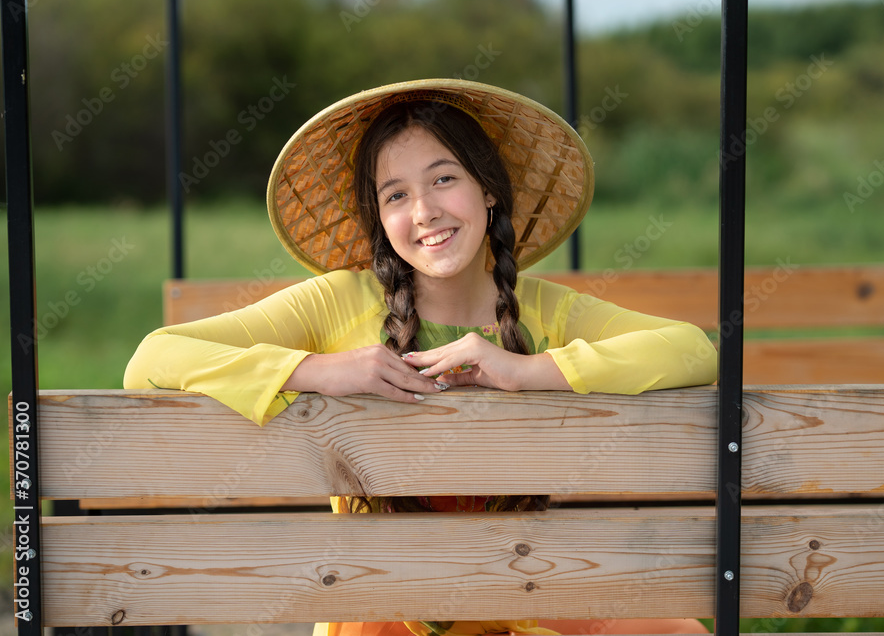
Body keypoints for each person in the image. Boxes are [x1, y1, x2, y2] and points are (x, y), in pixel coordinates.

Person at [124, 79, 717, 636]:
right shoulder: (338, 302)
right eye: (396, 195)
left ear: (487, 188)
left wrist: (526, 370)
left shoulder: (547, 312)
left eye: (443, 179)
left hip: (525, 596)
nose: (425, 211)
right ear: (381, 220)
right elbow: (153, 359)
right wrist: (317, 369)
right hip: (380, 607)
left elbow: (692, 348)